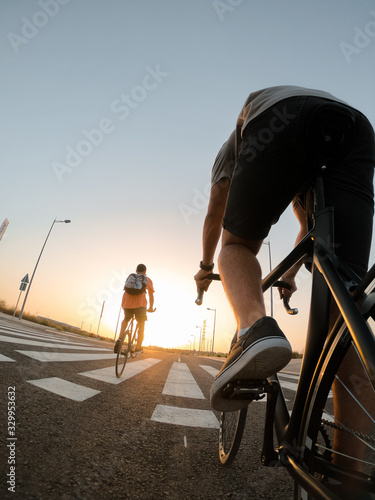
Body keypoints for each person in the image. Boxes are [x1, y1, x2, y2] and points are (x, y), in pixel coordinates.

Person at [195, 85, 374, 470]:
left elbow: (215, 211)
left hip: (281, 114)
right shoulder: (302, 180)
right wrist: (291, 274)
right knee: (344, 316)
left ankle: (255, 329)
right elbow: (306, 228)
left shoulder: (232, 148)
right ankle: (349, 476)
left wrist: (206, 266)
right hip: (357, 130)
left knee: (238, 247)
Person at [115, 263, 155, 353]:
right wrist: (151, 307)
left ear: (136, 270)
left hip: (126, 303)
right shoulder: (147, 280)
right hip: (140, 305)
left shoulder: (131, 278)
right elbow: (151, 295)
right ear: (145, 272)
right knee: (141, 324)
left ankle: (119, 339)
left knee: (125, 319)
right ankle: (138, 347)